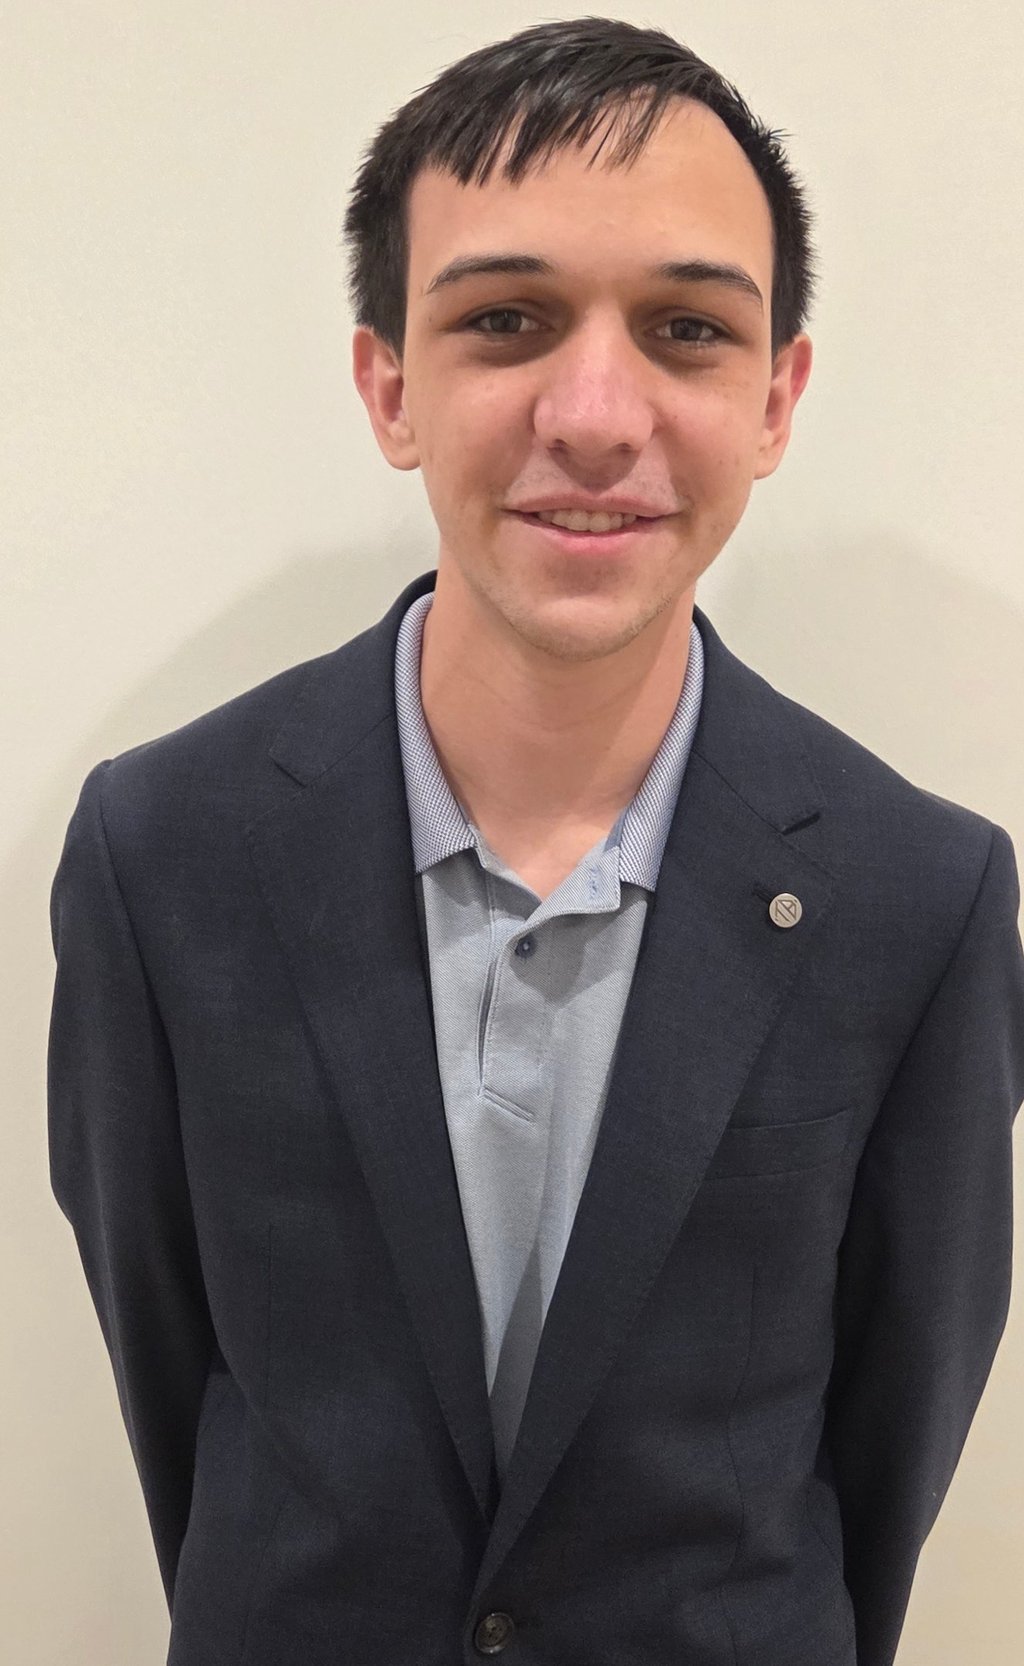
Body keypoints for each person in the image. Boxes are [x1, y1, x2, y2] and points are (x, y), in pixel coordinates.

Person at [47, 17, 1024, 1666]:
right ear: (391, 384)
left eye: (687, 329)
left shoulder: (921, 896)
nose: (595, 412)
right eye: (506, 319)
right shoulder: (164, 852)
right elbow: (175, 1373)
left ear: (775, 398)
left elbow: (890, 1429)